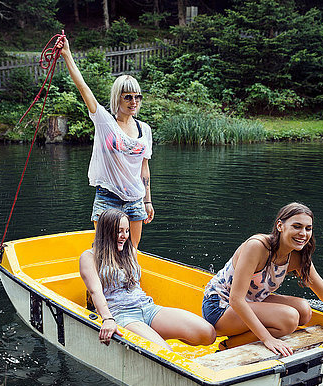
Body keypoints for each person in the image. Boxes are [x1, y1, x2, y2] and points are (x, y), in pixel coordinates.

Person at [202, 202, 323, 357]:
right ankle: (229, 345)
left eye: (308, 228)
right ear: (280, 226)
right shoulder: (257, 246)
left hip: (251, 301)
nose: (303, 234)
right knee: (289, 319)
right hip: (220, 307)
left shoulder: (298, 256)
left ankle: (244, 337)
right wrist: (267, 338)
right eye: (296, 226)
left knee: (304, 310)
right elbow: (236, 299)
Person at [57, 37, 153, 248]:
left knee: (131, 253)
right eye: (128, 97)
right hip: (108, 198)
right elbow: (83, 88)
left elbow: (144, 169)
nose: (134, 102)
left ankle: (129, 282)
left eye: (138, 97)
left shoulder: (144, 129)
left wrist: (147, 201)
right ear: (117, 98)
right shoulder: (104, 122)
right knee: (105, 252)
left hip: (136, 200)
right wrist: (67, 55)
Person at [80, 208, 216, 350]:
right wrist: (108, 319)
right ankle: (151, 338)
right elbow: (95, 291)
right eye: (119, 231)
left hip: (147, 308)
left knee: (208, 333)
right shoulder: (89, 257)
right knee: (166, 353)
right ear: (106, 232)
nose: (124, 236)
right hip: (120, 314)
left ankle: (152, 334)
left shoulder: (130, 251)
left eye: (127, 231)